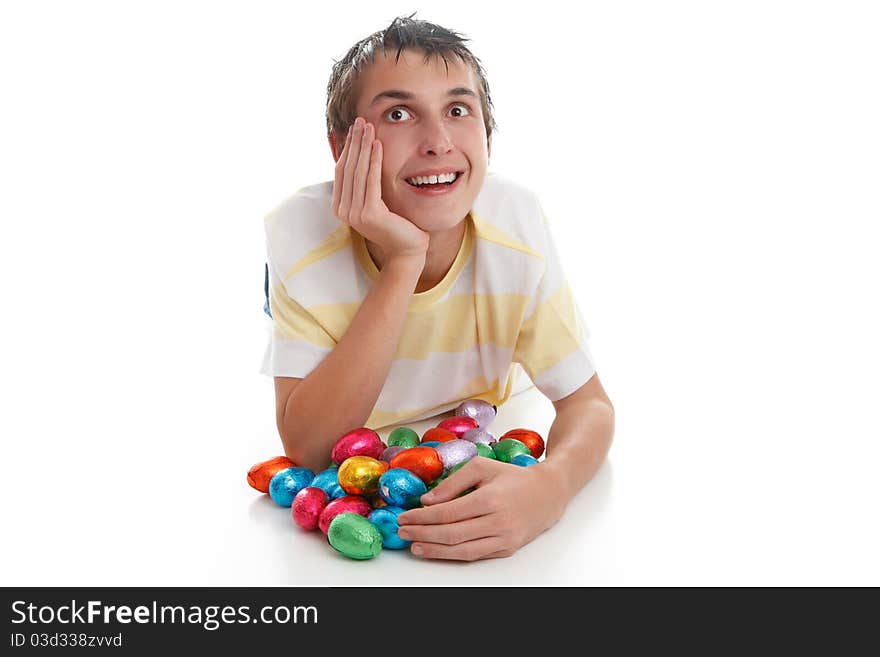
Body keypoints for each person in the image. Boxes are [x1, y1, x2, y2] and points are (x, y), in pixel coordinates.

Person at [260, 14, 615, 561]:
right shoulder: (301, 240)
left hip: (479, 403)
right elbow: (308, 447)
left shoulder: (514, 229)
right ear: (341, 148)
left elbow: (589, 404)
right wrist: (404, 260)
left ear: (488, 135)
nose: (438, 142)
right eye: (399, 113)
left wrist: (552, 487)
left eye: (458, 109)